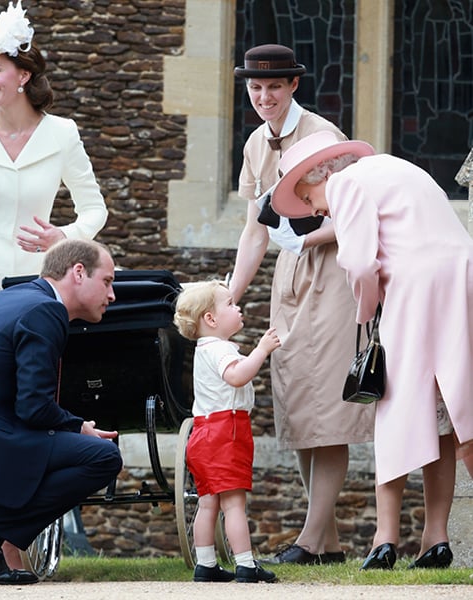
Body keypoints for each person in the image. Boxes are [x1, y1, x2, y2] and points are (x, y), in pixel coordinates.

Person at [271, 129, 473, 569]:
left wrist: (366, 313)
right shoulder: (397, 168)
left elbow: (361, 263)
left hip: (415, 290)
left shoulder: (346, 183)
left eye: (306, 199)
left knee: (397, 407)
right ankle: (435, 540)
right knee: (449, 414)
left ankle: (385, 540)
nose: (313, 209)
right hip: (462, 280)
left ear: (317, 174)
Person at [230, 44, 374, 564]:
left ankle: (311, 541)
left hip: (335, 272)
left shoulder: (323, 138)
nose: (264, 97)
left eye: (274, 87)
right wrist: (230, 294)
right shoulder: (253, 144)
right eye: (255, 88)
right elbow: (254, 231)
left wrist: (307, 241)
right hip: (289, 280)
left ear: (294, 85)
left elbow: (355, 215)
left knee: (326, 407)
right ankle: (328, 543)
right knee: (297, 405)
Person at [0, 238, 123, 585]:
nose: (112, 295)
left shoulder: (7, 299)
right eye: (108, 281)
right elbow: (34, 407)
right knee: (102, 457)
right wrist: (78, 427)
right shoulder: (47, 310)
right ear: (79, 272)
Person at [0, 0, 108, 307]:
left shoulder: (63, 133)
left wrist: (64, 237)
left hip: (34, 292)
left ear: (23, 76)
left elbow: (95, 210)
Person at [174, 280, 281, 583]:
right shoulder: (220, 349)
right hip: (226, 431)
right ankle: (245, 563)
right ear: (210, 319)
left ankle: (206, 564)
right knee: (234, 502)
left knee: (208, 501)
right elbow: (236, 376)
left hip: (203, 432)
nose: (239, 308)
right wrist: (261, 351)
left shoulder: (203, 349)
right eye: (232, 304)